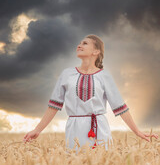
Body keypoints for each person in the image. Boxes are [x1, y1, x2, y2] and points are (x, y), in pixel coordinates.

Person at [23, 34, 159, 152]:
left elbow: (120, 107)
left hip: (99, 127)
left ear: (96, 51)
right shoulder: (66, 74)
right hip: (74, 127)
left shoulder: (104, 75)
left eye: (85, 43)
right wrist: (37, 130)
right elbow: (53, 106)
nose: (79, 45)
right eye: (79, 43)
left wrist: (137, 131)